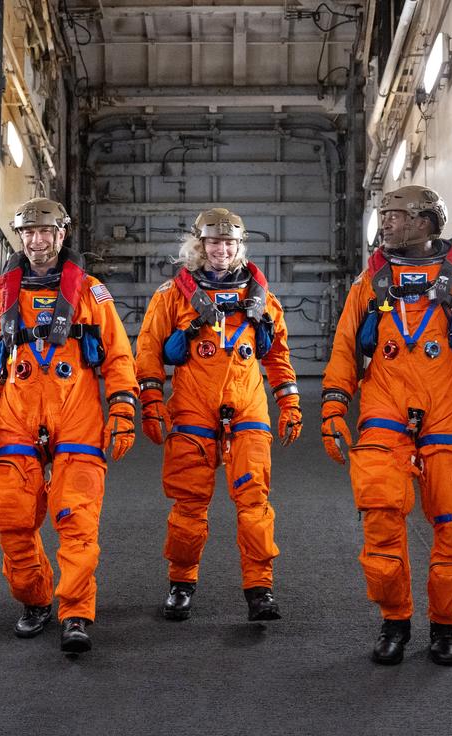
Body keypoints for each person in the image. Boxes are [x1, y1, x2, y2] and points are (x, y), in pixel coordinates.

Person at [320, 185, 452, 666]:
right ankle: (394, 621)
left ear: (428, 222)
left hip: (446, 414)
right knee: (382, 518)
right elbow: (346, 348)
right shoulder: (369, 285)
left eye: (396, 215)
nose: (386, 223)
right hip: (384, 410)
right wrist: (332, 407)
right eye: (384, 215)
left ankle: (444, 626)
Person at [0, 197, 138, 654]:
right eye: (28, 234)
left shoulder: (91, 293)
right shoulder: (3, 295)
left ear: (61, 236)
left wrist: (122, 409)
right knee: (13, 518)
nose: (36, 242)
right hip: (16, 413)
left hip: (76, 412)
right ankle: (35, 599)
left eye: (45, 233)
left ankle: (75, 612)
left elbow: (117, 356)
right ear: (22, 239)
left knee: (76, 520)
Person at [135, 207, 301, 622]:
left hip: (247, 407)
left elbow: (278, 355)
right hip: (193, 408)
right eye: (214, 242)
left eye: (229, 242)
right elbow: (149, 352)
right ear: (199, 245)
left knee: (254, 503)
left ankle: (259, 588)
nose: (222, 249)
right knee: (189, 506)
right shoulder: (172, 296)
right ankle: (181, 581)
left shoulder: (260, 298)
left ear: (239, 247)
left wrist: (290, 404)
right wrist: (152, 403)